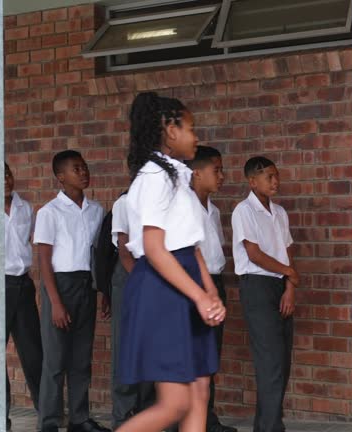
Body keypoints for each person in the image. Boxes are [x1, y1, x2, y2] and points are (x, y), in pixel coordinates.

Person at [116, 92, 226, 432]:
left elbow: (190, 244)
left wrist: (211, 293)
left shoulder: (177, 177)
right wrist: (198, 295)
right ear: (170, 129)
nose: (196, 137)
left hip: (186, 281)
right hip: (164, 289)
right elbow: (155, 247)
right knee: (175, 402)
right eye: (191, 128)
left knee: (199, 391)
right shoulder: (154, 177)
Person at [33, 150, 109, 432]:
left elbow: (97, 256)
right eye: (77, 169)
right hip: (60, 286)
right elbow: (44, 259)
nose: (84, 172)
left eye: (85, 167)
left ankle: (79, 419)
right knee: (55, 361)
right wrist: (55, 302)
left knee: (81, 357)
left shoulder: (96, 210)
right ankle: (50, 422)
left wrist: (103, 292)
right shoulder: (49, 213)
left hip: (85, 286)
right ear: (61, 177)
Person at [231, 156, 296, 432]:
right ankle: (271, 427)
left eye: (276, 176)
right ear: (252, 180)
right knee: (270, 361)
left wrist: (290, 285)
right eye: (269, 176)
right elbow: (254, 254)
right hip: (257, 286)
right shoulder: (243, 211)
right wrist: (288, 272)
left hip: (281, 285)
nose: (275, 181)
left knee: (282, 360)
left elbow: (288, 250)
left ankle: (267, 425)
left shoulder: (280, 212)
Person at [186, 145, 238, 432]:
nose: (222, 176)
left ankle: (207, 417)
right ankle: (183, 419)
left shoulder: (214, 211)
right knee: (191, 355)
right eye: (216, 170)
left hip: (214, 282)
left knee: (210, 354)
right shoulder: (183, 208)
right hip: (194, 286)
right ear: (196, 173)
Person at [105, 191, 155, 429]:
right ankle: (123, 416)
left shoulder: (158, 200)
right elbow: (124, 251)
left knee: (148, 346)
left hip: (154, 275)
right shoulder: (124, 203)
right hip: (130, 275)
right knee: (126, 345)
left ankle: (146, 410)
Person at [4, 162, 43, 431]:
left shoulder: (25, 208)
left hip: (23, 285)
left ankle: (47, 411)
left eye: (8, 173)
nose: (6, 179)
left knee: (33, 351)